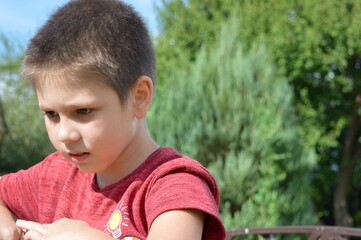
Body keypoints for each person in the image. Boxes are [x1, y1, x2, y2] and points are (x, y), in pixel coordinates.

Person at [0, 0, 226, 239]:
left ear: (138, 97)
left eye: (83, 111)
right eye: (51, 114)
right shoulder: (55, 174)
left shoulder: (175, 186)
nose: (64, 134)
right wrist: (5, 225)